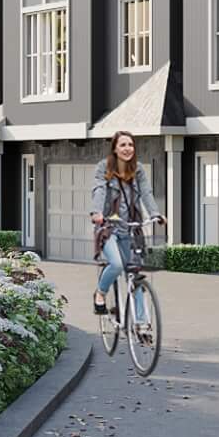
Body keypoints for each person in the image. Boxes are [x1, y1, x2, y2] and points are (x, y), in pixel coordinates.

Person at [88, 131, 164, 318]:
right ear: (114, 148)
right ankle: (100, 293)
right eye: (122, 145)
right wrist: (97, 212)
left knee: (135, 274)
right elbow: (100, 190)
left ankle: (141, 323)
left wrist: (155, 214)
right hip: (108, 227)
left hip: (131, 227)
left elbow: (146, 192)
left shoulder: (137, 170)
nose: (127, 148)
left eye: (130, 144)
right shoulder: (103, 167)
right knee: (116, 264)